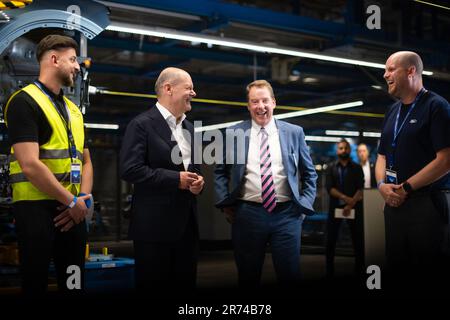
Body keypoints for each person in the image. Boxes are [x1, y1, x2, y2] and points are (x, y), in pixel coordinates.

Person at [4, 35, 93, 294]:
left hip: (74, 211)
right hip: (36, 210)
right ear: (53, 59)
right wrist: (71, 201)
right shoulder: (23, 102)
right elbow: (30, 164)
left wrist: (83, 200)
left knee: (73, 280)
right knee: (36, 280)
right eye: (72, 60)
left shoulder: (73, 109)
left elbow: (86, 161)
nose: (78, 66)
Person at [214, 80, 317, 288]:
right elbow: (220, 172)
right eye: (254, 102)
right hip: (248, 215)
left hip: (287, 215)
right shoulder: (234, 132)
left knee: (290, 275)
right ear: (248, 106)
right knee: (248, 275)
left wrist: (304, 205)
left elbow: (310, 173)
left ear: (274, 102)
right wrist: (225, 204)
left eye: (265, 101)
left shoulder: (294, 132)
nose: (260, 106)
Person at [120, 67, 204, 293]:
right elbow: (130, 169)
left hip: (187, 228)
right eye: (189, 88)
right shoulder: (141, 125)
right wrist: (175, 179)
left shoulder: (190, 129)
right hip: (153, 230)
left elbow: (193, 170)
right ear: (168, 89)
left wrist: (197, 183)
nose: (194, 93)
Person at [376, 51, 450, 292]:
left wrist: (406, 187)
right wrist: (382, 186)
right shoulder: (391, 112)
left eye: (390, 69)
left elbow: (445, 160)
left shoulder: (436, 107)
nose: (385, 74)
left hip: (426, 204)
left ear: (411, 71)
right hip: (395, 205)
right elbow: (382, 156)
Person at [325, 139, 364, 279]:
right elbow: (330, 188)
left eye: (346, 148)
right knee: (331, 241)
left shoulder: (357, 168)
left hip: (354, 208)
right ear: (337, 150)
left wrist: (350, 203)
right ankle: (329, 271)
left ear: (349, 150)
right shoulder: (331, 168)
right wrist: (346, 199)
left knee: (358, 240)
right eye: (341, 148)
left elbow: (361, 189)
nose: (343, 150)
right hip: (335, 208)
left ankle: (359, 271)